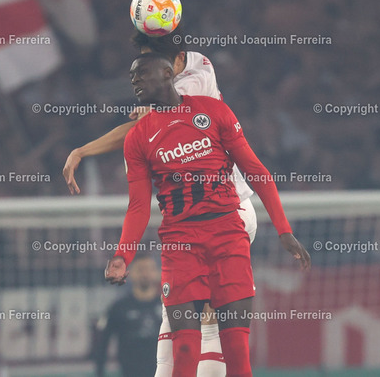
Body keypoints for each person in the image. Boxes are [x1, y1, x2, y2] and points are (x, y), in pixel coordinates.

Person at [64, 31, 257, 376]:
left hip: (230, 212)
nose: (140, 75)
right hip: (196, 225)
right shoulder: (179, 86)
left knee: (205, 326)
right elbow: (138, 202)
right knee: (181, 326)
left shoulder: (195, 84)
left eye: (148, 66)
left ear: (172, 64)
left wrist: (83, 150)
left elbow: (149, 123)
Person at [105, 53, 311, 377]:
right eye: (132, 77)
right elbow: (139, 207)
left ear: (168, 73)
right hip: (180, 246)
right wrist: (122, 255)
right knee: (185, 350)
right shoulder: (138, 137)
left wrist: (284, 230)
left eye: (141, 73)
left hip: (228, 238)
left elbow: (256, 171)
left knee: (237, 351)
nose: (135, 81)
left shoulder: (213, 112)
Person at [93, 252, 162, 377]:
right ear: (130, 274)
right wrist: (99, 372)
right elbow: (102, 342)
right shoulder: (119, 307)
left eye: (149, 269)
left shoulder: (167, 308)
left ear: (157, 273)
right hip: (130, 372)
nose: (145, 274)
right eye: (140, 269)